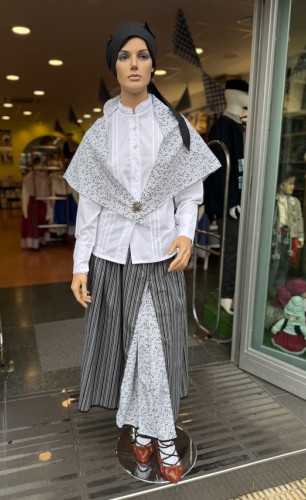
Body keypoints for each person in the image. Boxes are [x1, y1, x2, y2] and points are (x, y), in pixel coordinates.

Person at [64, 21, 220, 484]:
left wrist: (187, 235)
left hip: (161, 256)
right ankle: (150, 435)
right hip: (113, 259)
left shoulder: (176, 127)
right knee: (130, 351)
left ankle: (158, 435)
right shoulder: (97, 134)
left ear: (153, 65)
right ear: (114, 66)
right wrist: (80, 264)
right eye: (125, 56)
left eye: (143, 55)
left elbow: (189, 195)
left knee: (157, 348)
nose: (134, 64)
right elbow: (89, 208)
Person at [203, 79, 249, 315]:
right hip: (228, 203)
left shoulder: (240, 126)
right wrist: (230, 202)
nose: (249, 97)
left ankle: (234, 293)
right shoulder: (222, 126)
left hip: (239, 200)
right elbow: (220, 167)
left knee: (240, 250)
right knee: (231, 250)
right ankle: (226, 296)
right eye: (245, 93)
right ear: (233, 94)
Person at [269, 172, 304, 288]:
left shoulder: (295, 202)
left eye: (293, 184)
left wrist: (300, 236)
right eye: (290, 183)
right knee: (274, 262)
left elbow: (299, 219)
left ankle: (279, 288)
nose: (293, 186)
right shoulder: (273, 200)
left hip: (288, 236)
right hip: (276, 235)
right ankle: (268, 286)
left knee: (285, 263)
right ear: (281, 185)